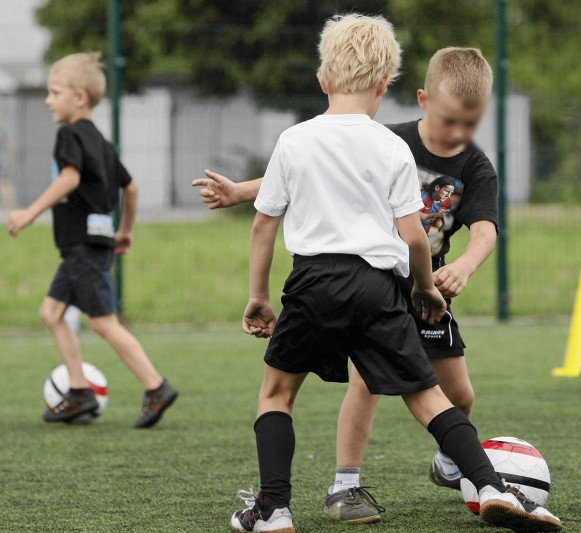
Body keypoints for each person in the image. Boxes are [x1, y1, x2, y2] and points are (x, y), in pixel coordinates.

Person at [227, 15, 562, 533]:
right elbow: (411, 238)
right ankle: (493, 485)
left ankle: (274, 510)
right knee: (427, 395)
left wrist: (257, 298)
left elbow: (264, 227)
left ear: (322, 79)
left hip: (313, 282)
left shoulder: (293, 140)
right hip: (379, 287)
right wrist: (426, 287)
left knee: (276, 394)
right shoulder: (391, 147)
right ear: (386, 85)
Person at [197, 47, 502, 525]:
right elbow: (312, 169)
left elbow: (483, 229)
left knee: (457, 394)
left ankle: (455, 466)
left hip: (423, 290)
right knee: (369, 381)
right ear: (421, 100)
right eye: (449, 121)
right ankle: (347, 485)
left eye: (470, 124)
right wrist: (240, 190)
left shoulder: (475, 167)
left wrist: (462, 266)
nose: (458, 133)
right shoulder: (389, 140)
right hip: (388, 282)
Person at [5, 52, 178, 427]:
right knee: (51, 313)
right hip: (91, 244)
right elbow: (130, 188)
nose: (49, 100)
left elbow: (68, 179)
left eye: (54, 92)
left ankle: (156, 386)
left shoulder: (68, 134)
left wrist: (27, 213)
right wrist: (126, 231)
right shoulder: (100, 141)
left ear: (79, 97)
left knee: (103, 322)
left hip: (82, 247)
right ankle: (80, 392)